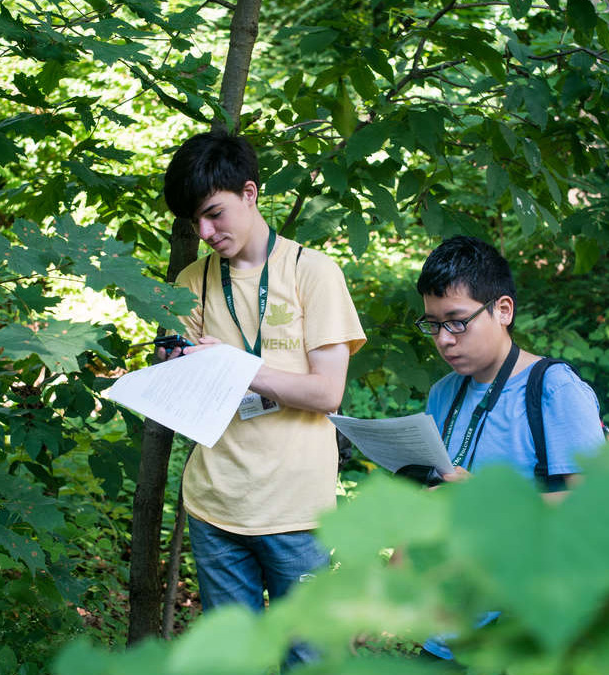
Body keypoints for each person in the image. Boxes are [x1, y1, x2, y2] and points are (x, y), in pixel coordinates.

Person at [161, 130, 366, 666]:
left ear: (250, 193)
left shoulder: (313, 273)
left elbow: (326, 391)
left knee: (309, 657)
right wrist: (173, 370)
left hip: (297, 511)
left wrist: (238, 367)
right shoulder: (192, 280)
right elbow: (184, 393)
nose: (205, 232)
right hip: (215, 504)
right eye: (195, 223)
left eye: (215, 214)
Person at [412, 235, 606, 661]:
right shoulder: (443, 393)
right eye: (433, 324)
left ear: (503, 310)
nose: (443, 339)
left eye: (457, 321)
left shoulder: (553, 389)